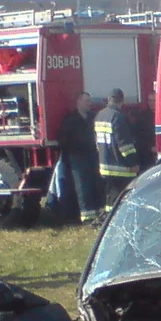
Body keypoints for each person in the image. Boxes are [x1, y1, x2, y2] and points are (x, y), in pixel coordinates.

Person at [58, 91, 101, 223]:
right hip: (77, 158)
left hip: (93, 156)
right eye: (86, 101)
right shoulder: (70, 120)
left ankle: (99, 215)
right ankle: (87, 217)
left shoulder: (93, 117)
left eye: (90, 101)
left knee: (97, 184)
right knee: (83, 187)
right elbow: (64, 141)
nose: (89, 103)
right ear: (78, 102)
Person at [95, 88, 139, 208]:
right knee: (122, 201)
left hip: (105, 165)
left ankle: (109, 217)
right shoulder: (117, 116)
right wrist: (133, 162)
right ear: (122, 101)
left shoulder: (100, 115)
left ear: (109, 99)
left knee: (110, 198)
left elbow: (97, 142)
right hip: (120, 168)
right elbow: (124, 145)